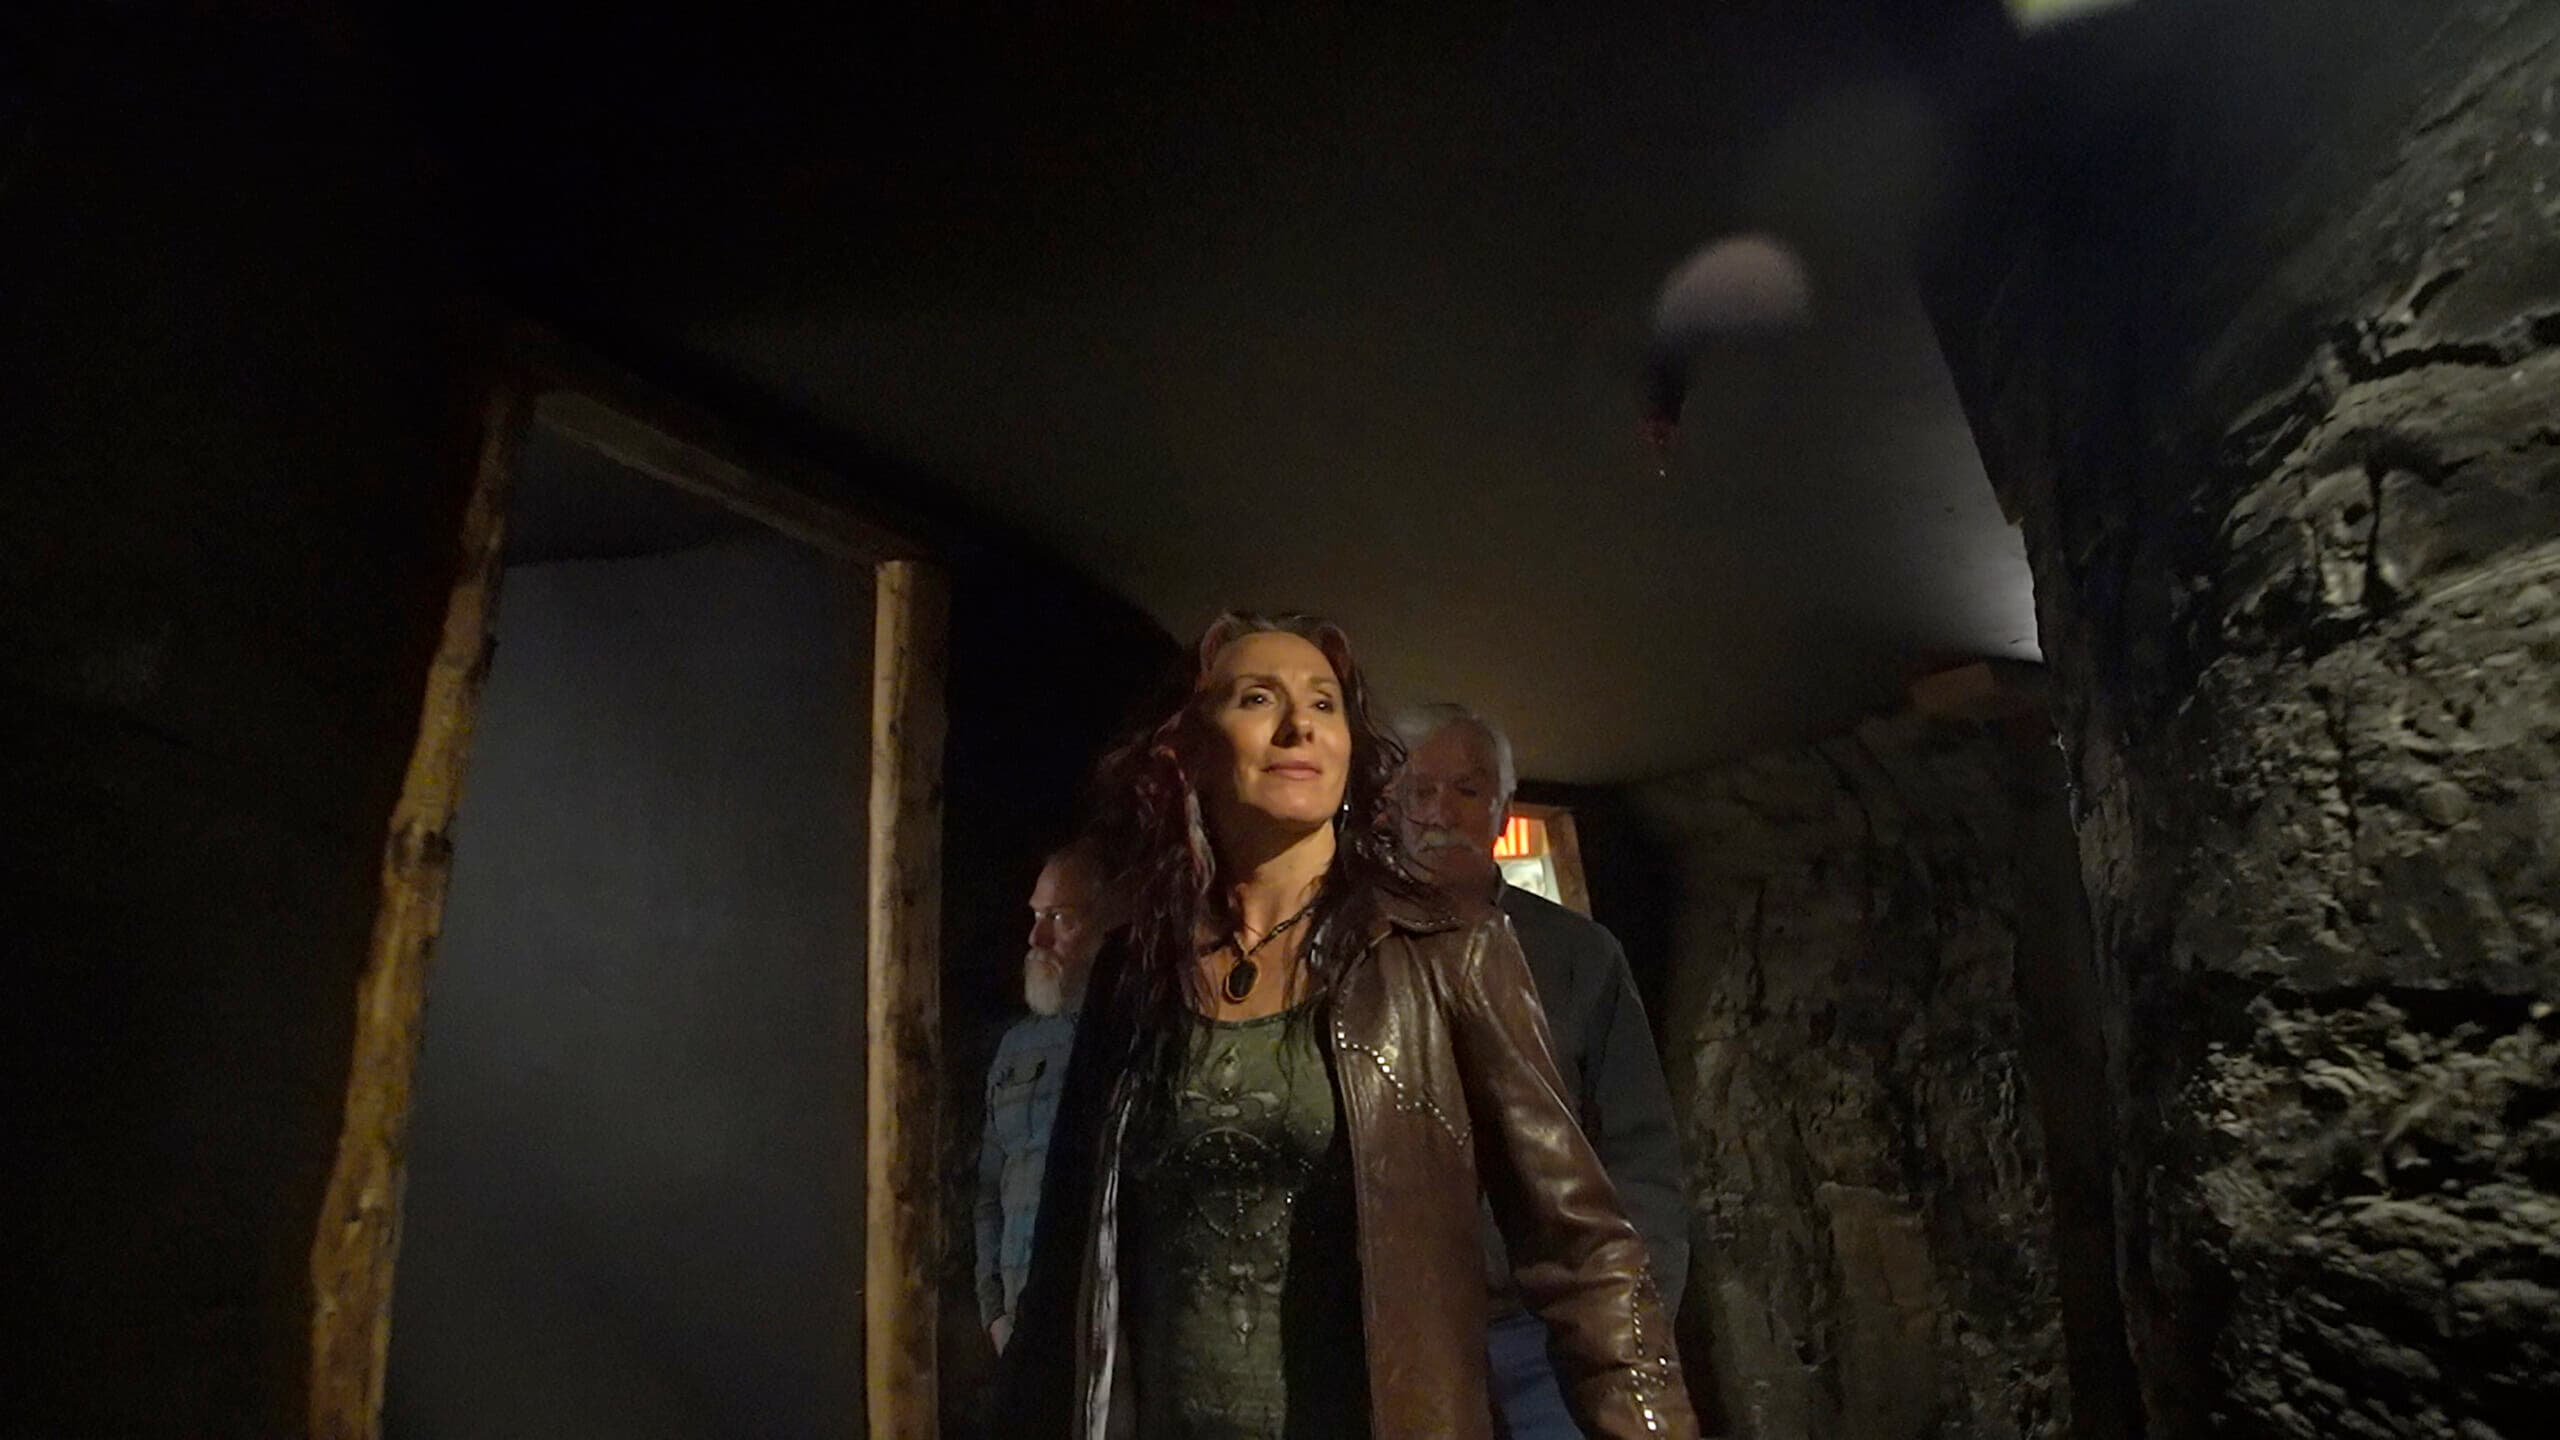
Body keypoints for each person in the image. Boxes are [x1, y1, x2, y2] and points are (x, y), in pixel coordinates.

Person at [1000, 612, 1696, 1440]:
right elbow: (1065, 1264)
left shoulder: (1448, 951)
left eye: (1324, 704)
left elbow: (1581, 1247)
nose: (1299, 724)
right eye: (1259, 698)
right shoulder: (1136, 966)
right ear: (1189, 748)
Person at [1393, 702, 1690, 1440]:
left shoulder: (1579, 957)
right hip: (1395, 1335)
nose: (1440, 813)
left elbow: (1639, 1152)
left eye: (1468, 790)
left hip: (1542, 1336)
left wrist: (1633, 1327)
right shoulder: (1343, 954)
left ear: (1502, 810)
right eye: (1418, 790)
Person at [976, 841, 1116, 1355]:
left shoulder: (1136, 1038)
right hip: (1020, 1328)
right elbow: (988, 1187)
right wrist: (994, 1311)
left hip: (1101, 1332)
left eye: (1061, 918)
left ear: (1107, 928)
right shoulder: (1016, 1049)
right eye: (1037, 916)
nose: (1037, 938)